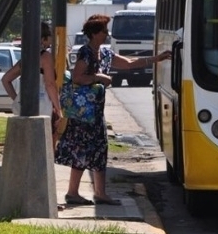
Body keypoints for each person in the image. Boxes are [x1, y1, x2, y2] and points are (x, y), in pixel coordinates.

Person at [55, 14, 172, 206]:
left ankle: (99, 193)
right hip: (83, 113)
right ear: (94, 34)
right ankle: (74, 193)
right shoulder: (85, 53)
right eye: (104, 31)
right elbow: (77, 78)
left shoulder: (105, 53)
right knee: (82, 151)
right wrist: (99, 77)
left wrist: (156, 59)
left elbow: (129, 63)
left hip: (96, 113)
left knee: (99, 150)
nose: (107, 34)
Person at [1, 22, 63, 151]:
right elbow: (50, 84)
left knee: (25, 145)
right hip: (42, 106)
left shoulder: (25, 57)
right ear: (43, 38)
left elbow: (6, 79)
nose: (51, 39)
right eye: (50, 35)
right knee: (42, 145)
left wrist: (17, 98)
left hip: (23, 105)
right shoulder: (45, 56)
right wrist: (58, 109)